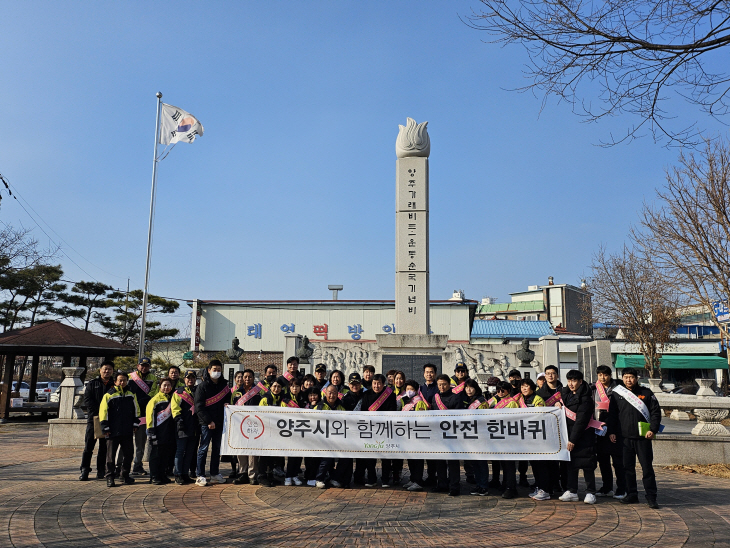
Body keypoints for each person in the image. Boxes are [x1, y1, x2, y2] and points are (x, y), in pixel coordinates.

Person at [608, 367, 662, 509]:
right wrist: (612, 431)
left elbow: (655, 413)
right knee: (627, 468)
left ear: (637, 378)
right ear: (622, 378)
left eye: (631, 377)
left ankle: (651, 497)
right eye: (625, 377)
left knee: (647, 468)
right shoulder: (617, 394)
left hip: (643, 438)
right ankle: (631, 494)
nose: (628, 380)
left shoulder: (646, 393)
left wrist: (653, 429)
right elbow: (612, 415)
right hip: (624, 438)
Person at [557, 370, 598, 504]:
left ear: (580, 381)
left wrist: (573, 439)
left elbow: (581, 421)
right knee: (571, 465)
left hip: (584, 436)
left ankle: (591, 492)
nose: (571, 384)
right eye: (569, 381)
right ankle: (572, 491)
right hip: (568, 434)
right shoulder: (566, 394)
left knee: (587, 465)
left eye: (574, 381)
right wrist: (558, 404)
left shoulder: (586, 397)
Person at [99, 371, 140, 487]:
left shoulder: (131, 394)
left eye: (124, 380)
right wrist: (104, 426)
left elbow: (136, 410)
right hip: (112, 430)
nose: (122, 382)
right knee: (110, 456)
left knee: (129, 454)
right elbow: (103, 412)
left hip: (127, 430)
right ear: (115, 382)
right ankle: (110, 477)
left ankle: (124, 475)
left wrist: (136, 423)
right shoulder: (109, 395)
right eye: (120, 380)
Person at [194, 359, 230, 487]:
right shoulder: (202, 386)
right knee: (203, 449)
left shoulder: (225, 386)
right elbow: (199, 407)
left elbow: (228, 400)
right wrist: (209, 421)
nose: (217, 372)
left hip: (220, 423)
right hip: (206, 423)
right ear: (208, 371)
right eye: (214, 370)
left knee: (216, 449)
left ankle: (214, 474)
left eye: (219, 370)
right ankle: (200, 475)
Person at [593, 365, 626, 499]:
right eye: (600, 375)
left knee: (618, 462)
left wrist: (613, 428)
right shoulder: (593, 388)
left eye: (605, 374)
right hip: (598, 429)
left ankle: (622, 488)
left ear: (610, 375)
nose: (602, 377)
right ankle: (607, 487)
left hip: (615, 429)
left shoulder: (619, 388)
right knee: (603, 461)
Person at [429, 374, 465, 496]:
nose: (442, 387)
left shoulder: (456, 398)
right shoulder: (435, 398)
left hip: (452, 435)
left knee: (453, 463)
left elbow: (459, 417)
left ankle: (455, 486)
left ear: (449, 384)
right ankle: (442, 484)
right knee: (439, 462)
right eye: (439, 385)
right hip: (438, 435)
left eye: (444, 384)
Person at [358, 374, 397, 487]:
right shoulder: (366, 395)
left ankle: (385, 479)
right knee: (370, 456)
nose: (376, 385)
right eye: (374, 383)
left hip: (384, 429)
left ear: (383, 384)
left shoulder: (390, 395)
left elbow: (392, 411)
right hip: (370, 429)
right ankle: (372, 479)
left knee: (385, 457)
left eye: (379, 383)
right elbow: (364, 411)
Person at [79, 360, 114, 481]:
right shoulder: (92, 384)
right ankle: (85, 470)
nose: (107, 371)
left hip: (108, 420)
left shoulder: (114, 385)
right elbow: (88, 401)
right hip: (93, 419)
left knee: (104, 447)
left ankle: (101, 470)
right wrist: (100, 412)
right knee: (88, 446)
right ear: (100, 370)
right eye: (105, 369)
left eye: (109, 369)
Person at [124, 357, 158, 476]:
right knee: (125, 442)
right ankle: (121, 466)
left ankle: (137, 465)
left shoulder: (153, 378)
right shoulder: (129, 377)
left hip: (143, 414)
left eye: (147, 366)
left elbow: (154, 393)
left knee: (141, 442)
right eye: (142, 365)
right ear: (138, 366)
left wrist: (143, 401)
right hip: (129, 413)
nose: (144, 368)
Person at [231, 368, 264, 485]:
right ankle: (242, 473)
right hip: (239, 425)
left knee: (252, 450)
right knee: (241, 449)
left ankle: (252, 474)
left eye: (250, 377)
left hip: (254, 425)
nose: (247, 379)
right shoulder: (236, 393)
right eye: (245, 377)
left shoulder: (259, 392)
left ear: (253, 378)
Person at [537, 365, 566, 494]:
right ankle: (551, 484)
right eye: (547, 373)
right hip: (547, 429)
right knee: (549, 460)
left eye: (553, 373)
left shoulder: (565, 391)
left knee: (563, 459)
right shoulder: (539, 393)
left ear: (557, 375)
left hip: (563, 429)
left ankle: (565, 485)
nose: (550, 375)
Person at [488, 381, 519, 497]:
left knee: (509, 464)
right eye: (498, 390)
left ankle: (511, 487)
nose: (500, 393)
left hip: (508, 436)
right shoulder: (495, 401)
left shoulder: (512, 403)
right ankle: (505, 484)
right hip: (498, 436)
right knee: (503, 463)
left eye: (503, 390)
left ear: (509, 391)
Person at [314, 384, 347, 488]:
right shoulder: (319, 407)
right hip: (323, 440)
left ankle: (335, 478)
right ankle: (319, 479)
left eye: (334, 393)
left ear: (338, 394)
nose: (332, 395)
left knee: (346, 458)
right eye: (330, 393)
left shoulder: (341, 407)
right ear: (325, 393)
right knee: (327, 457)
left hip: (339, 439)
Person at [399, 379, 429, 492]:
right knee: (411, 459)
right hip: (407, 435)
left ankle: (418, 481)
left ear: (416, 391)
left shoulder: (419, 402)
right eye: (407, 389)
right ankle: (412, 479)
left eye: (411, 389)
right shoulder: (407, 401)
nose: (409, 391)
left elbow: (421, 419)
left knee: (417, 460)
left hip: (416, 435)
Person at [146, 377, 176, 485]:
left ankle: (162, 475)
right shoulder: (154, 400)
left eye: (169, 385)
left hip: (168, 433)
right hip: (157, 432)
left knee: (165, 455)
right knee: (155, 455)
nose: (167, 387)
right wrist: (151, 432)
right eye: (164, 385)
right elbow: (150, 418)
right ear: (160, 386)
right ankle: (154, 476)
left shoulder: (172, 399)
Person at [463, 379, 490, 497]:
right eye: (467, 387)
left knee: (481, 462)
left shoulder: (481, 401)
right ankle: (479, 484)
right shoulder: (467, 400)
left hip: (480, 435)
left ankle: (484, 486)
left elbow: (485, 418)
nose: (469, 390)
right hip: (471, 435)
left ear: (476, 388)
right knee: (475, 462)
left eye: (471, 387)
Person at [171, 370, 198, 484]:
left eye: (192, 377)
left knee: (190, 452)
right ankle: (178, 474)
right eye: (188, 377)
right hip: (182, 425)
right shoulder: (179, 392)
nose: (190, 380)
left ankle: (185, 473)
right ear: (184, 379)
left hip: (195, 426)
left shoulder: (198, 391)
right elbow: (174, 407)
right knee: (180, 451)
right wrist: (179, 420)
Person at [257, 378, 285, 485]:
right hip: (265, 431)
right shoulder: (264, 400)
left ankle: (270, 475)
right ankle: (262, 476)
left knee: (274, 455)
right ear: (270, 388)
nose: (276, 389)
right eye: (274, 386)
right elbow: (260, 415)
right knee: (264, 455)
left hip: (278, 432)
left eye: (278, 387)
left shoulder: (284, 400)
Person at [419, 363, 439, 487]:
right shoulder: (420, 389)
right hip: (422, 425)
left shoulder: (438, 387)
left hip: (434, 424)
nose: (429, 374)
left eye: (431, 372)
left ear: (435, 374)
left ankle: (433, 477)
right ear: (424, 374)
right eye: (427, 372)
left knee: (433, 454)